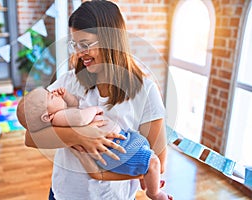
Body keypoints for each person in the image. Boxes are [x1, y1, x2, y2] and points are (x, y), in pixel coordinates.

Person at [24, 1, 170, 199]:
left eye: (85, 45)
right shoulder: (68, 82)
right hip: (63, 194)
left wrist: (100, 174)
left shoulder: (146, 92)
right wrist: (79, 135)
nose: (78, 53)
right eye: (75, 44)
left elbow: (157, 162)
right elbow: (31, 137)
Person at [17, 87, 172, 199]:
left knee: (146, 154)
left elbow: (74, 106)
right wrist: (94, 109)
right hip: (113, 149)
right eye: (51, 97)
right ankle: (155, 193)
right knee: (152, 162)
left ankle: (146, 179)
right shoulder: (59, 117)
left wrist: (67, 96)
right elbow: (80, 117)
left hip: (119, 142)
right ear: (46, 117)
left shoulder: (61, 114)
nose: (54, 93)